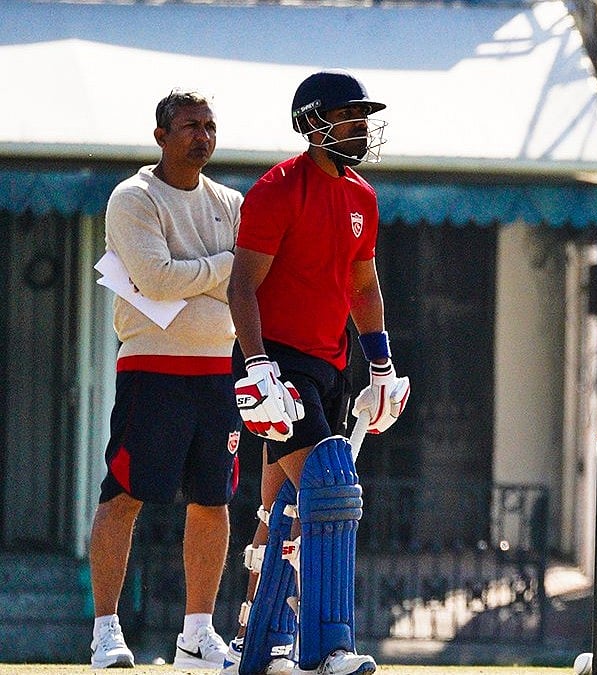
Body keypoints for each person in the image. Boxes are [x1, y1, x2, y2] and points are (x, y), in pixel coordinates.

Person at [224, 69, 409, 675]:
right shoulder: (277, 189)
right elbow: (241, 286)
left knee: (281, 505)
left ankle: (257, 646)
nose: (360, 128)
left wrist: (379, 364)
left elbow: (362, 285)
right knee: (331, 491)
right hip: (277, 358)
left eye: (362, 117)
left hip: (330, 364)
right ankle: (328, 648)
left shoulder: (362, 197)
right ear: (311, 122)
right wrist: (257, 366)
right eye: (347, 116)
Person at [88, 89, 241, 669]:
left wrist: (198, 276)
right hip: (152, 366)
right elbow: (153, 279)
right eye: (188, 126)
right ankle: (106, 630)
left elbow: (249, 280)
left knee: (214, 498)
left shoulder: (231, 201)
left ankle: (196, 635)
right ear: (160, 136)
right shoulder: (133, 197)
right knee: (125, 493)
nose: (201, 135)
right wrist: (222, 269)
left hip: (218, 367)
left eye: (209, 125)